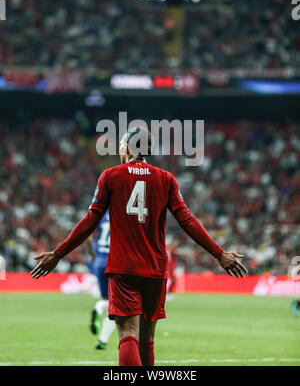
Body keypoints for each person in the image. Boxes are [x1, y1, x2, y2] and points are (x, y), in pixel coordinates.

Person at [30, 126, 248, 366]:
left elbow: (91, 220)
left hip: (123, 268)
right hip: (155, 269)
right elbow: (187, 220)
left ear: (129, 147)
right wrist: (219, 254)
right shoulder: (166, 179)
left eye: (122, 145)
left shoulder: (111, 176)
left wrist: (58, 254)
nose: (120, 150)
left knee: (127, 335)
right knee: (147, 340)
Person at [85, 211, 115, 349]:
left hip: (99, 262)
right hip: (115, 262)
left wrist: (92, 255)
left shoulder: (101, 215)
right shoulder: (123, 214)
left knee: (106, 299)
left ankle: (98, 309)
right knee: (116, 305)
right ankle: (102, 341)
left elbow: (88, 237)